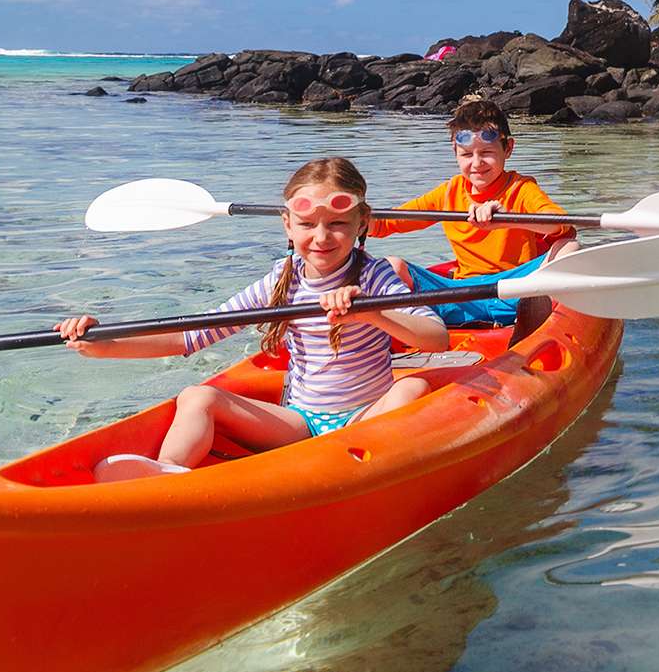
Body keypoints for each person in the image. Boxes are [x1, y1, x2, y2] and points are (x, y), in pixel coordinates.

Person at [59, 154, 449, 480]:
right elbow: (190, 337)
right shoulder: (282, 278)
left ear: (361, 223)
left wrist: (372, 313)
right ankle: (169, 471)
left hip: (367, 415)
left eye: (337, 224)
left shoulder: (374, 275)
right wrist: (101, 345)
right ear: (287, 224)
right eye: (307, 224)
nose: (321, 237)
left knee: (411, 390)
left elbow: (436, 338)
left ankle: (371, 472)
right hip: (300, 422)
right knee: (198, 396)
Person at [370, 95, 576, 331]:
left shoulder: (521, 188)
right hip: (463, 295)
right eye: (467, 155)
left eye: (486, 152)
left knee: (569, 248)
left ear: (508, 148)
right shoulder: (448, 192)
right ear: (455, 152)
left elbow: (560, 225)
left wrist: (505, 219)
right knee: (391, 266)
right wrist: (351, 218)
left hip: (517, 290)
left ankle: (535, 323)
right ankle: (404, 329)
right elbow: (386, 224)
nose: (477, 163)